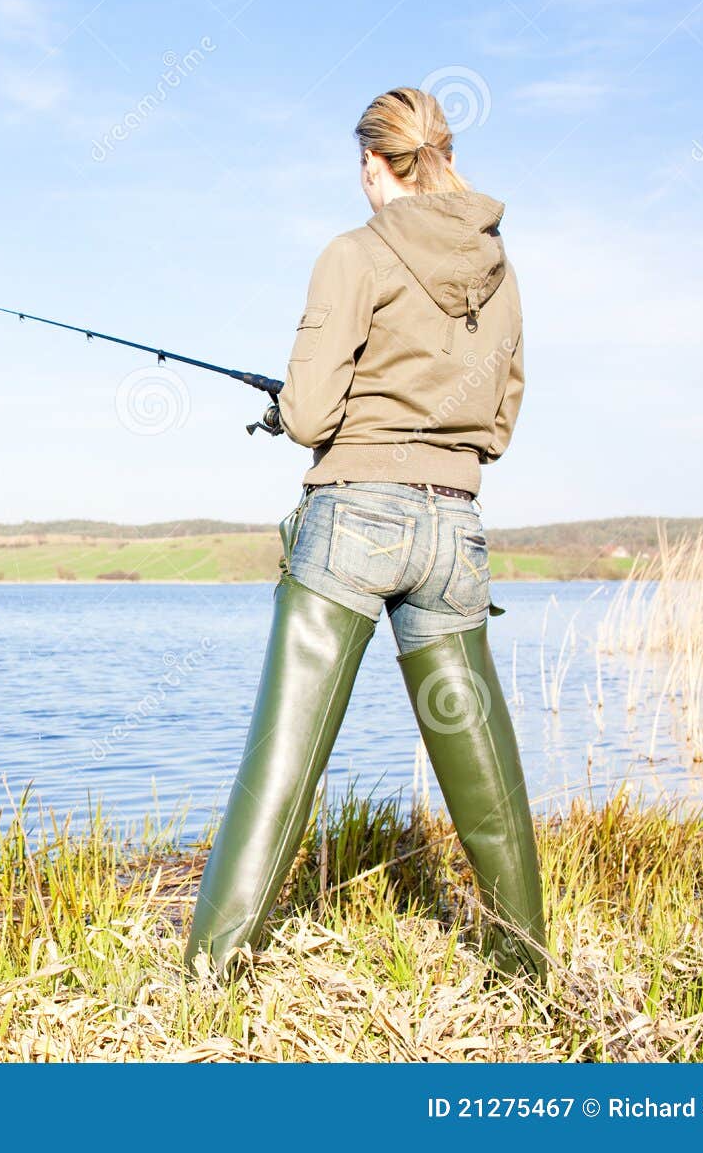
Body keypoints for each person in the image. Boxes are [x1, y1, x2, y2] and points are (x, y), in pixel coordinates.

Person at [184, 88, 547, 982]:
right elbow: (498, 423)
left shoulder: (354, 254)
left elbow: (310, 412)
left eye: (363, 166)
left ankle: (210, 972)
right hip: (454, 531)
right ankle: (529, 966)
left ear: (378, 165)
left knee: (283, 759)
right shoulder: (498, 269)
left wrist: (284, 409)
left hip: (354, 519)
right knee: (485, 774)